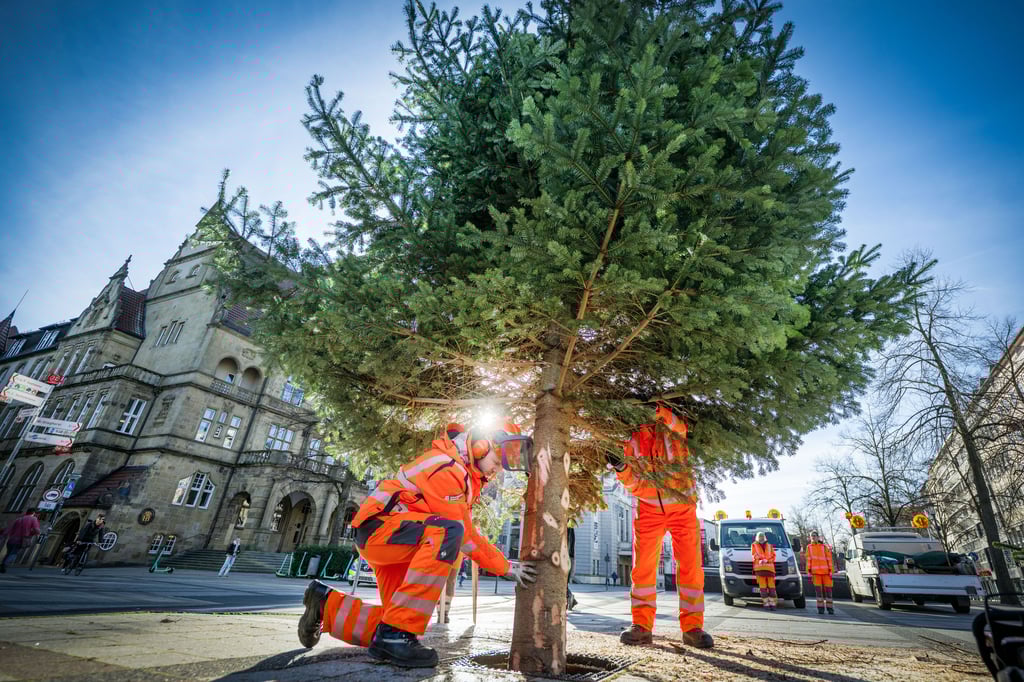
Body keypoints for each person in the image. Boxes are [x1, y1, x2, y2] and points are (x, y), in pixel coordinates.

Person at [295, 420, 538, 668]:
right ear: (480, 447)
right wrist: (504, 567)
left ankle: (324, 603)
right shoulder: (447, 468)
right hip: (383, 531)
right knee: (450, 533)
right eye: (496, 464)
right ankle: (395, 635)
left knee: (395, 621)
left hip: (400, 537)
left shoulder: (460, 471)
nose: (494, 472)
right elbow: (464, 535)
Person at [608, 405, 713, 649]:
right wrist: (622, 471)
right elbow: (634, 484)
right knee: (642, 570)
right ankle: (641, 627)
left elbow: (680, 425)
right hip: (648, 511)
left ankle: (692, 628)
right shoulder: (630, 440)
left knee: (690, 568)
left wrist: (656, 409)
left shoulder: (671, 427)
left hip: (682, 508)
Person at [806, 531, 835, 615]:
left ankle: (830, 609)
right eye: (811, 536)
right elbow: (808, 560)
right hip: (816, 574)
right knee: (818, 592)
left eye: (814, 536)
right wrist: (808, 571)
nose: (813, 537)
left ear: (818, 537)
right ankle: (820, 609)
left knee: (828, 592)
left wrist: (831, 571)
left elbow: (829, 559)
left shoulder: (824, 547)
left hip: (826, 573)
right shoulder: (809, 547)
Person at [752, 532, 777, 610]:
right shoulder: (754, 545)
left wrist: (767, 560)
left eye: (762, 536)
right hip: (760, 569)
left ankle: (772, 603)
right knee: (763, 587)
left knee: (772, 587)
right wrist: (760, 560)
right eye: (760, 537)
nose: (761, 538)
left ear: (765, 537)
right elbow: (754, 554)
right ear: (757, 537)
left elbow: (773, 556)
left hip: (769, 569)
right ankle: (766, 604)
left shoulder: (770, 545)